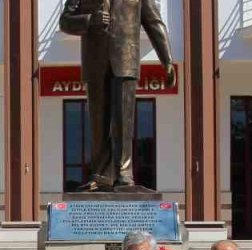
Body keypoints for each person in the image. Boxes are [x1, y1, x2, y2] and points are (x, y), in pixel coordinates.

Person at [59, 0, 175, 192]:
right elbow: (65, 21)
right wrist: (89, 20)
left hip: (126, 59)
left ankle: (124, 173)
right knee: (98, 123)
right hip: (95, 62)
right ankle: (101, 175)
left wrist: (167, 60)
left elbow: (154, 22)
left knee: (124, 121)